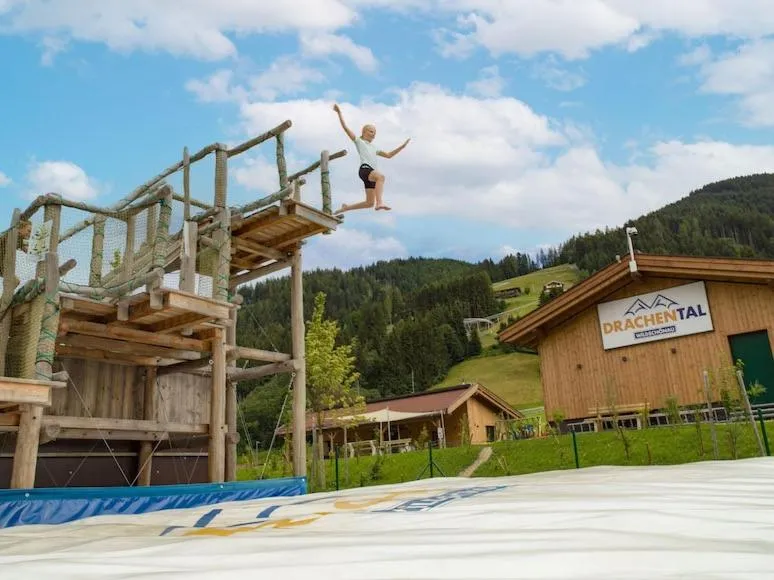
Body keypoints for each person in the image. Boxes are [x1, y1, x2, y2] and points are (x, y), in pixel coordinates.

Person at [332, 103, 410, 215]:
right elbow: (345, 128)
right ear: (363, 132)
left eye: (375, 133)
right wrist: (339, 113)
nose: (374, 134)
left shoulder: (374, 147)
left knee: (369, 203)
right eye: (371, 131)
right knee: (381, 177)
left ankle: (346, 208)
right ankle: (380, 203)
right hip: (365, 169)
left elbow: (389, 155)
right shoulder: (359, 141)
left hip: (370, 175)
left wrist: (402, 147)